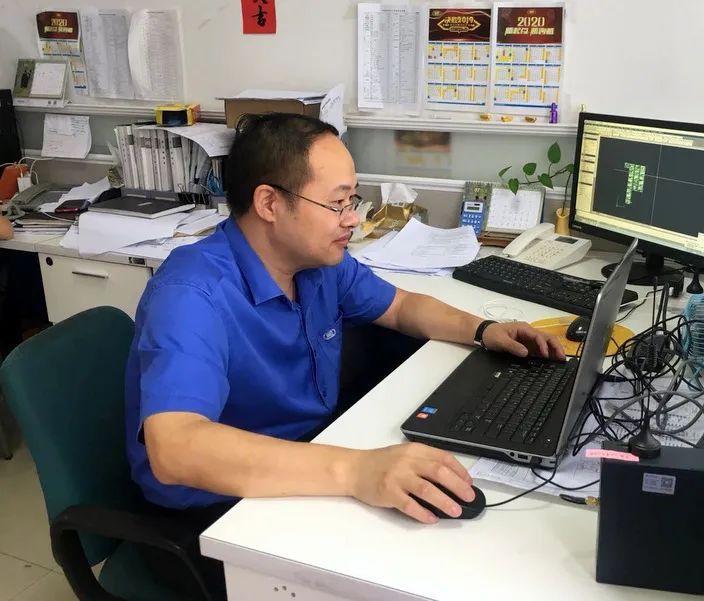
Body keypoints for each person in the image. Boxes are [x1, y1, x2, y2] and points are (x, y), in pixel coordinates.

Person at [125, 112, 563, 593]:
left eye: (352, 201)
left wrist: (483, 330)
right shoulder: (192, 293)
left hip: (306, 459)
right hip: (216, 513)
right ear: (270, 203)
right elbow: (175, 449)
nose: (353, 218)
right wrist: (358, 469)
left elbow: (401, 307)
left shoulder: (318, 262)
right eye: (337, 203)